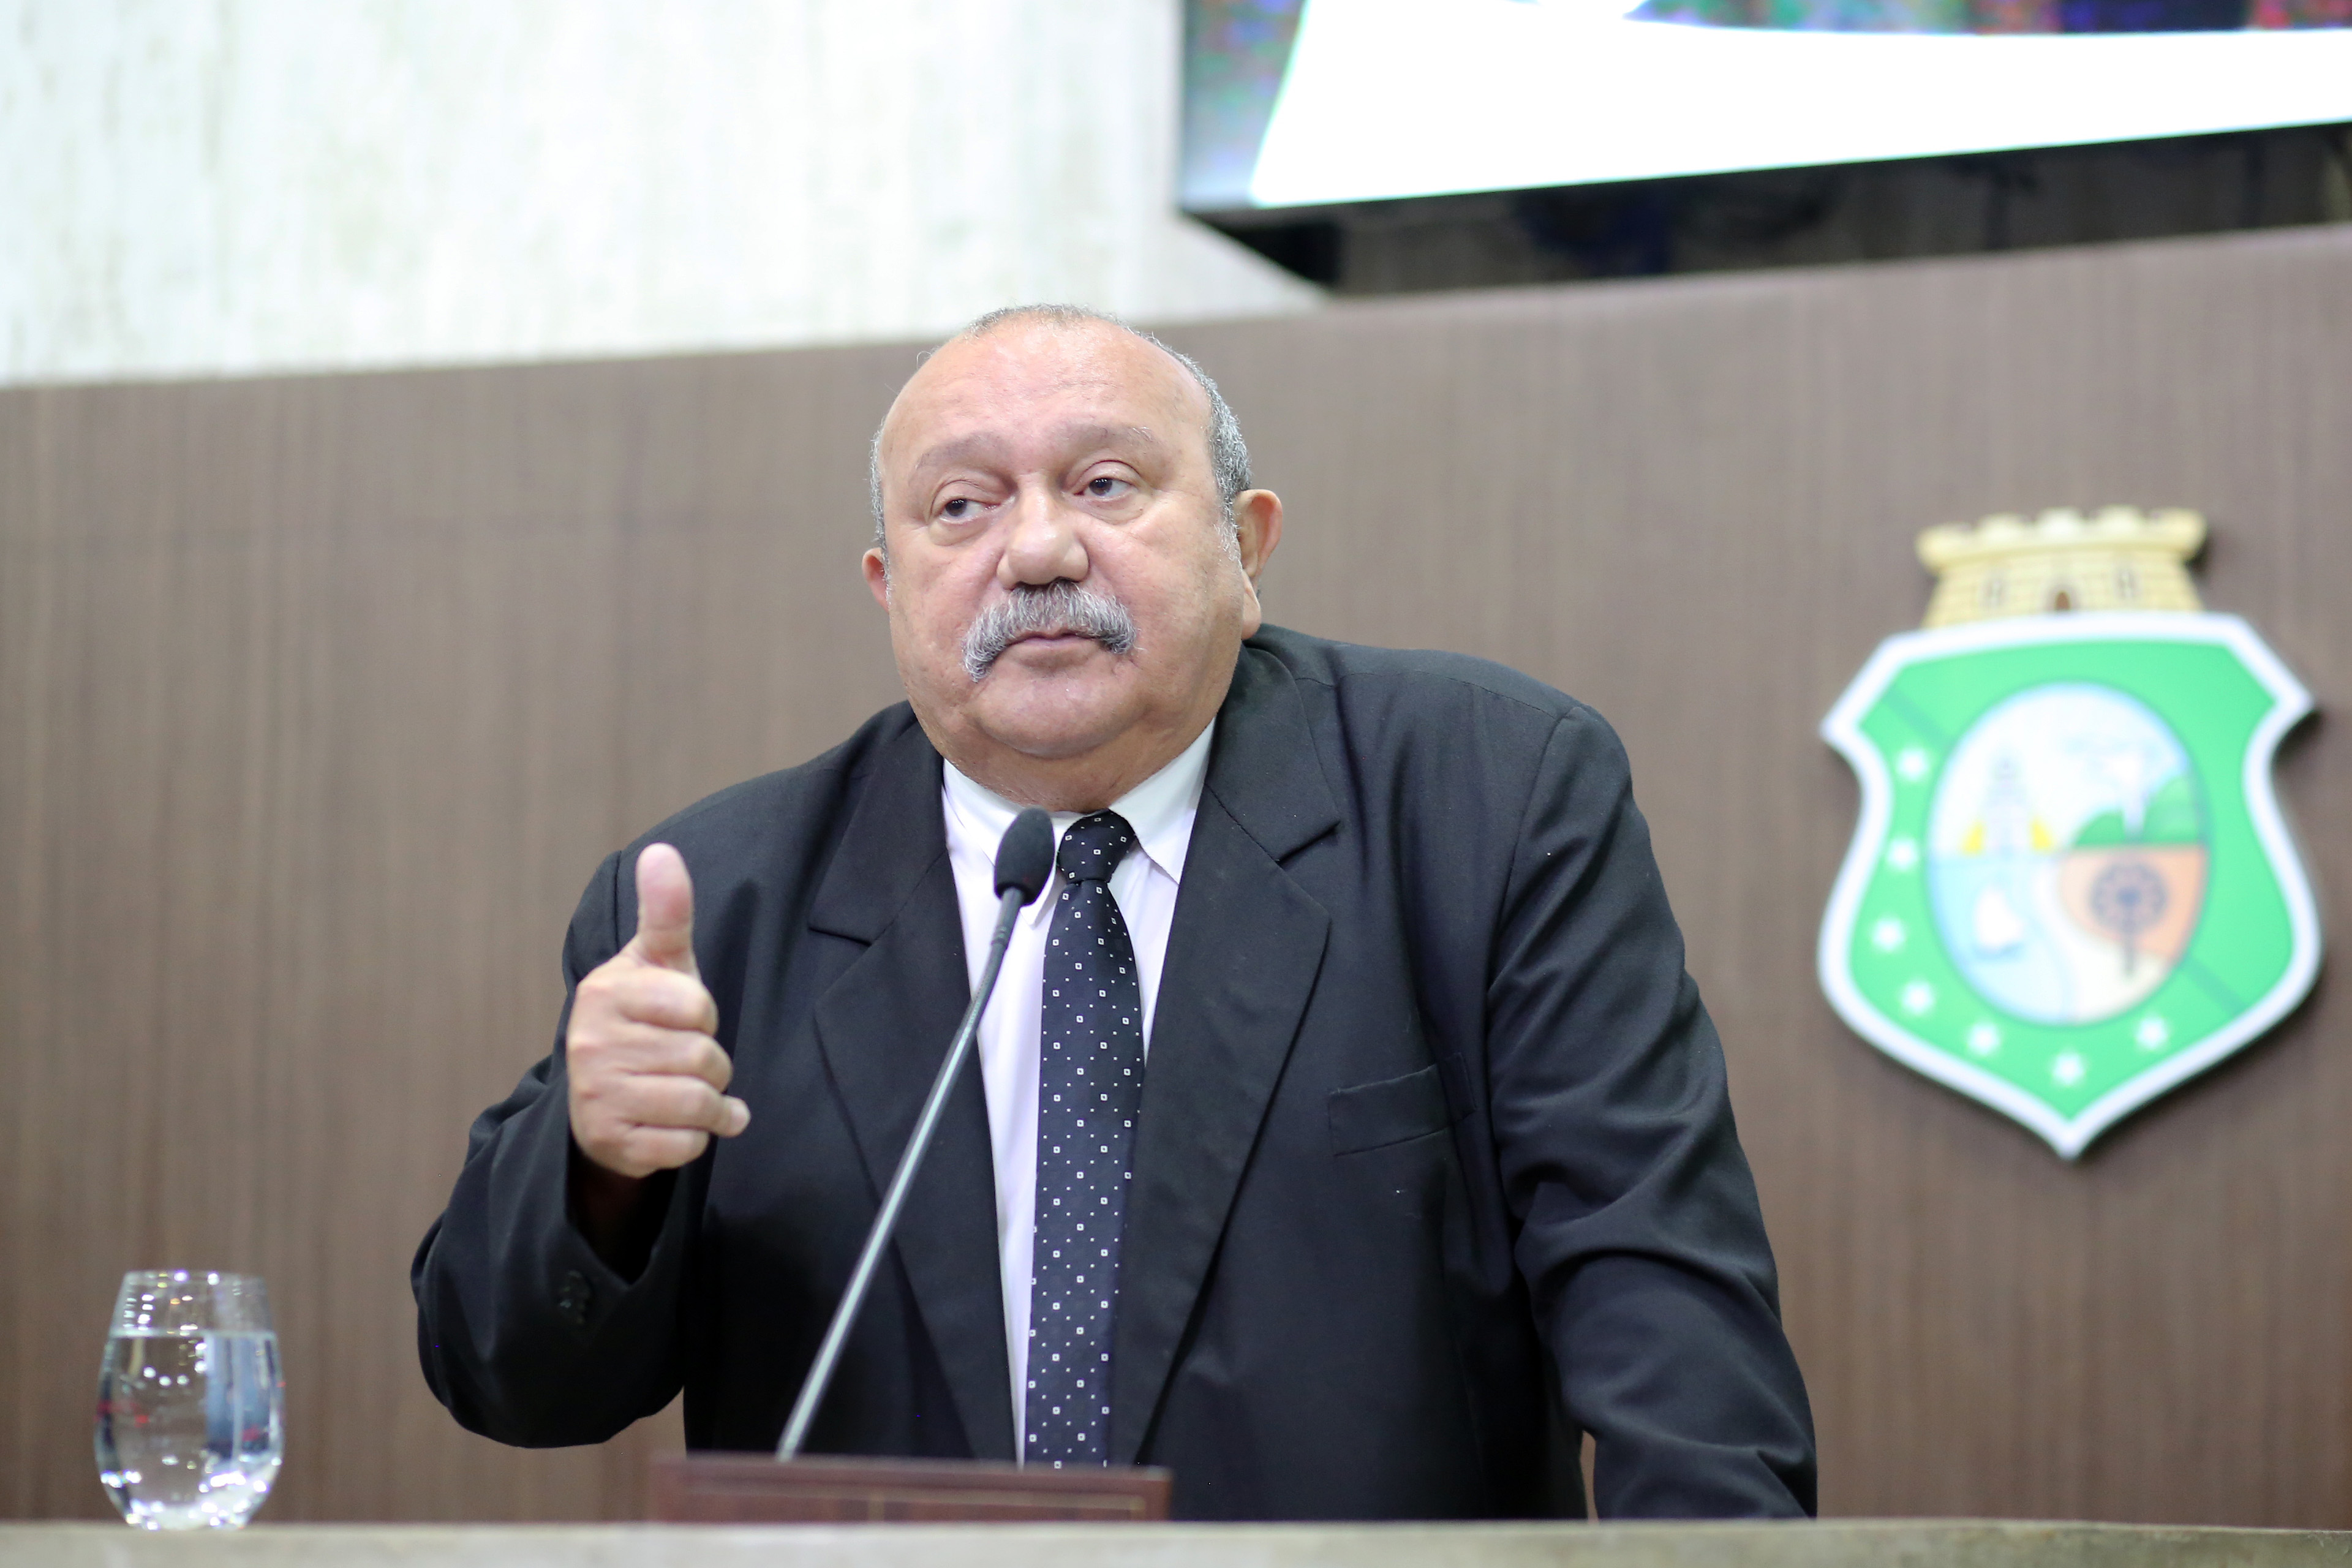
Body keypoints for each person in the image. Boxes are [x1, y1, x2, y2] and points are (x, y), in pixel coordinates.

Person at [412, 304, 1816, 1520]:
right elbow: (511, 1380)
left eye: (1104, 483)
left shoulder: (1483, 799)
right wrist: (598, 1168)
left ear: (1246, 548)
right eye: (961, 506)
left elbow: (1663, 1303)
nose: (1036, 551)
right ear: (888, 588)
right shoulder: (716, 903)